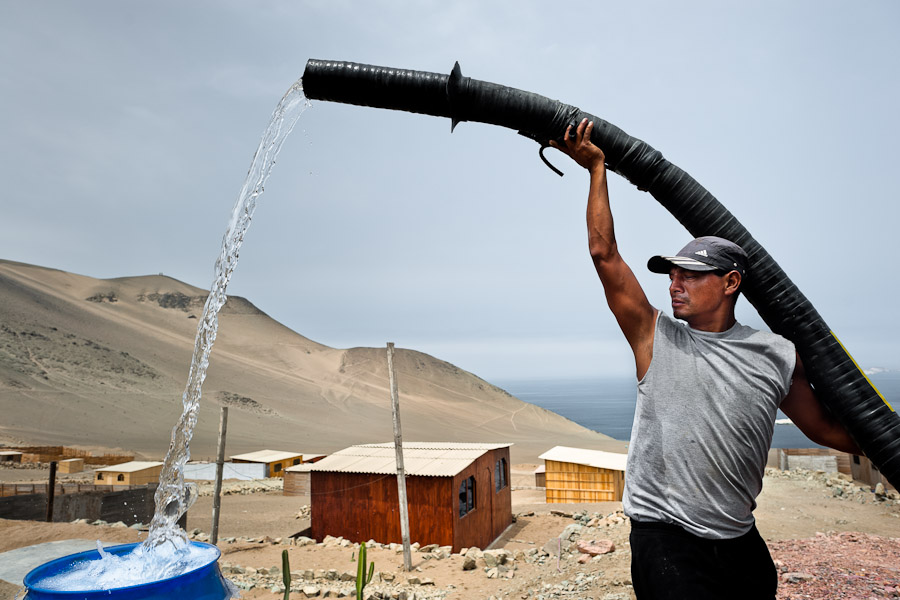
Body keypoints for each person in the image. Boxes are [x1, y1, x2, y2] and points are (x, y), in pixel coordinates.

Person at [551, 119, 862, 600]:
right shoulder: (654, 336)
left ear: (731, 283)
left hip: (738, 536)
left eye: (690, 276)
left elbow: (821, 427)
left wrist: (882, 448)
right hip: (665, 537)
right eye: (672, 275)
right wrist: (596, 169)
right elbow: (604, 254)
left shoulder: (776, 354)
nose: (675, 284)